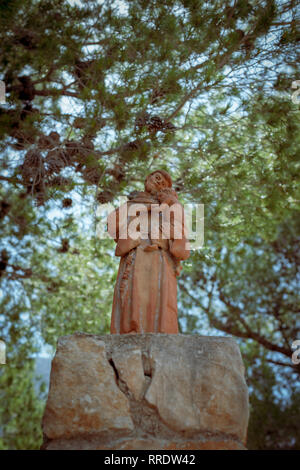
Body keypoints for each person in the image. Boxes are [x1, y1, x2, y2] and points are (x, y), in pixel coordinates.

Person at [107, 169, 190, 334]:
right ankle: (131, 329)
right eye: (156, 177)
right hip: (135, 252)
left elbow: (180, 234)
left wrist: (169, 206)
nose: (158, 182)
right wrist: (143, 213)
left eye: (163, 183)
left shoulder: (170, 205)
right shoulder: (132, 204)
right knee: (133, 290)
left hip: (160, 257)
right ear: (147, 178)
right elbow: (111, 225)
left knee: (158, 294)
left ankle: (160, 331)